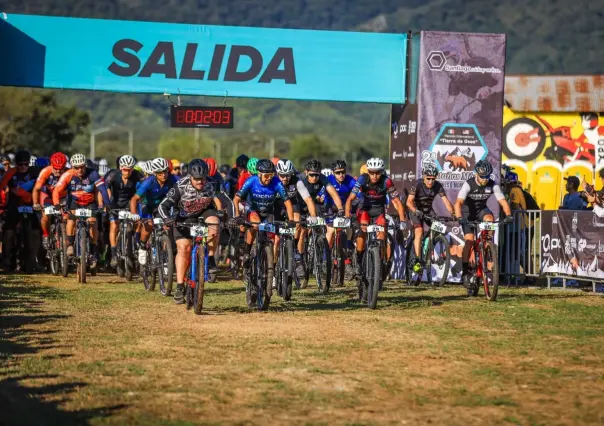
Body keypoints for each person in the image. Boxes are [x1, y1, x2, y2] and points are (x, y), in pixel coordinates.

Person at [158, 159, 224, 304]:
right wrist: (166, 219)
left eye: (203, 179)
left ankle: (211, 259)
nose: (200, 182)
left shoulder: (212, 185)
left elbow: (227, 201)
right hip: (182, 218)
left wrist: (233, 217)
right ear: (190, 177)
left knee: (215, 223)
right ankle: (180, 286)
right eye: (197, 179)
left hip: (203, 214)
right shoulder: (180, 186)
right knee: (184, 249)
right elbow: (163, 205)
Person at [454, 160, 513, 291]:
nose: (485, 179)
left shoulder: (493, 185)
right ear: (476, 174)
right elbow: (458, 203)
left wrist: (509, 215)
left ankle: (487, 246)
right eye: (483, 177)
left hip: (481, 211)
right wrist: (459, 218)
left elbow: (502, 201)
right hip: (467, 213)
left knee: (490, 218)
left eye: (487, 176)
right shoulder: (468, 184)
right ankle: (465, 271)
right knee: (469, 241)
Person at [345, 158, 406, 281]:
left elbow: (397, 202)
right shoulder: (363, 179)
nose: (375, 175)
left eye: (377, 173)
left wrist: (403, 220)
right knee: (362, 230)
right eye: (372, 172)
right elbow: (350, 199)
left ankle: (381, 262)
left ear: (382, 172)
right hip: (365, 209)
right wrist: (347, 216)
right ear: (368, 172)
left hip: (379, 211)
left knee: (382, 238)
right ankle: (359, 259)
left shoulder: (387, 182)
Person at [232, 159, 294, 277]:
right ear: (259, 174)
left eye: (271, 175)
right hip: (253, 210)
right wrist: (236, 217)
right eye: (266, 175)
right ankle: (247, 250)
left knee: (271, 237)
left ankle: (268, 261)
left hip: (268, 212)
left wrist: (291, 220)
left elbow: (287, 202)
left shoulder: (276, 183)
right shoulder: (251, 181)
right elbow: (236, 199)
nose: (268, 178)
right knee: (255, 224)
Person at [52, 153, 111, 267]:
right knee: (71, 219)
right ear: (72, 167)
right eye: (76, 167)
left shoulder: (93, 174)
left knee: (93, 222)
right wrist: (56, 204)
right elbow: (56, 191)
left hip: (90, 202)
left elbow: (102, 189)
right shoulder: (67, 174)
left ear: (85, 166)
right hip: (74, 202)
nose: (80, 170)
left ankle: (93, 251)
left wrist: (107, 203)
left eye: (82, 167)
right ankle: (69, 243)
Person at [406, 163, 454, 272]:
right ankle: (417, 260)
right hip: (415, 210)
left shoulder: (438, 186)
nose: (430, 181)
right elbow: (409, 202)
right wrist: (416, 211)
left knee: (439, 228)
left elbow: (446, 202)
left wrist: (454, 214)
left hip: (428, 211)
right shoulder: (417, 184)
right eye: (428, 178)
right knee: (419, 231)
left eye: (433, 179)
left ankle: (429, 246)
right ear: (423, 177)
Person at [130, 158, 178, 265]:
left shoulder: (173, 179)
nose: (163, 175)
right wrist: (134, 214)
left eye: (165, 171)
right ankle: (142, 247)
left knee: (166, 228)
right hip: (147, 205)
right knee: (149, 225)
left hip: (161, 207)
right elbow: (134, 199)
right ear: (155, 173)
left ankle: (165, 257)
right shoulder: (148, 182)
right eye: (160, 173)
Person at [0, 150, 41, 270]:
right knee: (8, 231)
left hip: (31, 205)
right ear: (16, 164)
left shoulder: (35, 172)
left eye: (26, 164)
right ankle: (6, 260)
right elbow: (1, 186)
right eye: (20, 164)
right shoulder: (11, 173)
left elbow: (42, 184)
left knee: (35, 231)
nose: (23, 167)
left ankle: (34, 259)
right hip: (14, 204)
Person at [104, 155, 145, 268]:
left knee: (138, 221)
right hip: (115, 202)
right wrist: (107, 202)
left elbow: (144, 187)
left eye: (130, 169)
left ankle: (135, 241)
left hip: (129, 202)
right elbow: (104, 187)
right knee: (114, 225)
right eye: (125, 169)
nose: (128, 172)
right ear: (121, 168)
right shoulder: (113, 174)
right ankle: (113, 255)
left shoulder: (137, 175)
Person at [32, 152, 69, 249]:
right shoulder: (45, 172)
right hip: (47, 195)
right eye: (55, 168)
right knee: (45, 216)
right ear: (51, 165)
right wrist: (36, 203)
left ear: (65, 166)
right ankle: (46, 235)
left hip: (63, 197)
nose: (57, 171)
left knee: (67, 217)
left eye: (60, 169)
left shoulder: (69, 172)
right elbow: (37, 189)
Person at [324, 160, 357, 248]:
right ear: (333, 172)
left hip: (345, 206)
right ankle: (325, 255)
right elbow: (321, 194)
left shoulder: (350, 180)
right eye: (338, 172)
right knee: (330, 231)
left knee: (349, 225)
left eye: (343, 172)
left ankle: (349, 245)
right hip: (331, 206)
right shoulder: (328, 180)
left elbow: (359, 194)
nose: (341, 175)